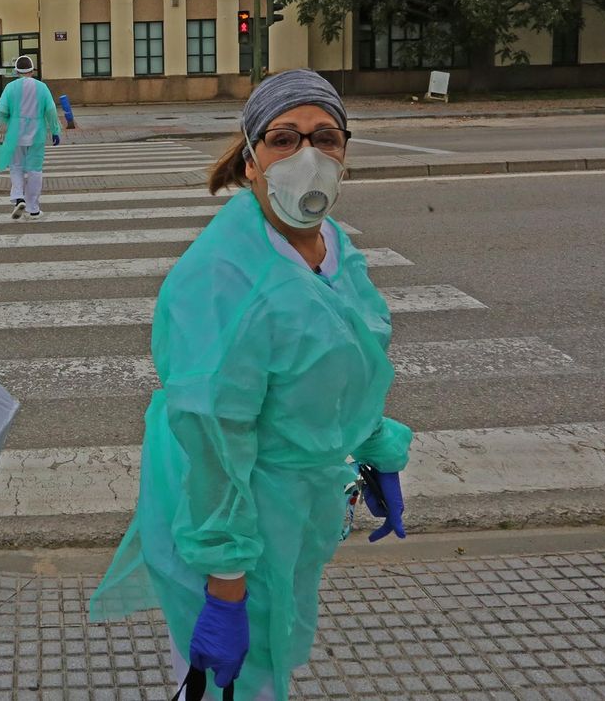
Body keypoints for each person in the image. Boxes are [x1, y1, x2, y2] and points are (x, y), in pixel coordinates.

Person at [88, 70, 412, 700]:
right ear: (251, 159)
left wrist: (375, 446)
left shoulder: (332, 247)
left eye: (326, 138)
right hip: (238, 511)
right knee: (241, 680)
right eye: (284, 139)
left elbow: (350, 361)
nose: (308, 157)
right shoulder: (222, 277)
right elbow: (215, 435)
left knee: (270, 658)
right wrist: (226, 585)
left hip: (296, 501)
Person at [0, 54, 62, 219]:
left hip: (15, 133)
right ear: (32, 70)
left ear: (17, 71)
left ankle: (18, 198)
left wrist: (10, 120)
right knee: (35, 170)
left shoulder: (10, 88)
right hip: (37, 133)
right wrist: (55, 130)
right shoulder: (42, 87)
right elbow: (50, 111)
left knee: (15, 166)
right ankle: (34, 209)